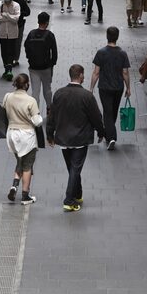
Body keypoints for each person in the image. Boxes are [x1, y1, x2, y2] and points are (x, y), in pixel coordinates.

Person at [46, 64, 105, 213]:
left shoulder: (59, 94)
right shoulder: (87, 96)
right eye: (83, 75)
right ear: (80, 76)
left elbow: (51, 116)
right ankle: (69, 200)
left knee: (72, 168)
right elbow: (96, 117)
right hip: (80, 138)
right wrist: (101, 131)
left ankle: (78, 194)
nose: (84, 77)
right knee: (75, 169)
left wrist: (49, 134)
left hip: (63, 138)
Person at [3, 73, 43, 205]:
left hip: (11, 135)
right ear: (26, 85)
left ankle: (14, 186)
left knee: (20, 160)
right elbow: (37, 121)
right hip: (26, 136)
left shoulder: (8, 97)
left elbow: (3, 110)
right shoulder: (31, 100)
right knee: (28, 166)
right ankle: (25, 196)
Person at [89, 26, 130, 150]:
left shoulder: (101, 52)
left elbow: (96, 72)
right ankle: (109, 135)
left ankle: (111, 137)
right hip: (118, 87)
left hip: (105, 87)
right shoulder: (122, 53)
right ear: (117, 37)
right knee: (113, 111)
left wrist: (91, 88)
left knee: (107, 112)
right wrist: (128, 88)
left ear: (107, 36)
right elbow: (125, 73)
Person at [24, 12, 58, 114]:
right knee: (47, 89)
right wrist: (52, 64)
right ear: (47, 22)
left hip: (33, 68)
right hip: (46, 68)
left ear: (38, 21)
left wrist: (29, 59)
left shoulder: (31, 33)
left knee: (35, 91)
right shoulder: (50, 35)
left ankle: (35, 112)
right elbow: (54, 52)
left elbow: (26, 47)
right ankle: (49, 108)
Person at [0, 0, 21, 81]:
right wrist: (10, 17)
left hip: (13, 32)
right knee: (4, 51)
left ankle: (9, 70)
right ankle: (6, 68)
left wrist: (6, 15)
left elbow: (16, 19)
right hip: (2, 32)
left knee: (11, 51)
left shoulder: (16, 5)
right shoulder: (0, 4)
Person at [12, 0, 31, 68]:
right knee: (18, 42)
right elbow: (27, 12)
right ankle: (16, 59)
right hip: (20, 24)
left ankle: (11, 58)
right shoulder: (22, 2)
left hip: (10, 24)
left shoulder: (9, 2)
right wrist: (21, 14)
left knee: (11, 42)